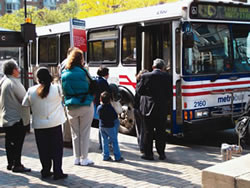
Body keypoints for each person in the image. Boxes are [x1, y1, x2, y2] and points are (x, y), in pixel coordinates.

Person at [22, 67, 68, 180]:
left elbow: (24, 104)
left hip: (39, 125)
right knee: (57, 150)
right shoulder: (57, 88)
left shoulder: (31, 90)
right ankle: (58, 172)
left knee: (43, 150)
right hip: (55, 124)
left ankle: (46, 171)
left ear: (37, 78)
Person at [61, 47, 95, 166]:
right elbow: (91, 86)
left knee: (75, 133)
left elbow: (64, 91)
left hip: (71, 106)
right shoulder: (83, 72)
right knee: (84, 132)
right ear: (80, 59)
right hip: (85, 103)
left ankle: (76, 158)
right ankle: (84, 158)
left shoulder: (64, 73)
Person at [0, 59, 31, 172]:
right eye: (17, 68)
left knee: (9, 142)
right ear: (13, 71)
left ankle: (10, 163)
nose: (18, 70)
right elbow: (25, 99)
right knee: (17, 143)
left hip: (7, 117)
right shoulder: (14, 83)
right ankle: (17, 164)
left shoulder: (4, 81)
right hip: (17, 118)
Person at [137, 58, 171, 161]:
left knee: (148, 131)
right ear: (163, 68)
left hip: (148, 108)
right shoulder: (168, 77)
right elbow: (169, 94)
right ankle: (161, 153)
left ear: (153, 67)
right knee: (161, 131)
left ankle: (149, 154)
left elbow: (140, 91)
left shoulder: (145, 76)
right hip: (162, 109)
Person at [97, 91, 124, 162]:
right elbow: (115, 117)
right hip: (110, 127)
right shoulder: (111, 108)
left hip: (102, 126)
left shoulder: (99, 108)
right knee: (114, 141)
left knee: (104, 141)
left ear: (100, 99)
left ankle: (105, 156)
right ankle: (117, 156)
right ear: (109, 100)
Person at [58, 47, 76, 148]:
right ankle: (69, 139)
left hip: (65, 93)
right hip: (70, 94)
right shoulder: (70, 63)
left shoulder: (63, 63)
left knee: (66, 117)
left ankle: (66, 138)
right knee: (71, 118)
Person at [93, 66, 111, 149]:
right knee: (105, 126)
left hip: (97, 104)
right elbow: (108, 93)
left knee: (100, 125)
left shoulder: (96, 81)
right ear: (106, 74)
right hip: (104, 106)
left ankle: (102, 144)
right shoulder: (104, 82)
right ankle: (104, 144)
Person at [134, 69, 148, 153]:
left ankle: (140, 145)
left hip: (136, 108)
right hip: (141, 109)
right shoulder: (145, 85)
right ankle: (143, 147)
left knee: (138, 129)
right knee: (143, 129)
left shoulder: (138, 84)